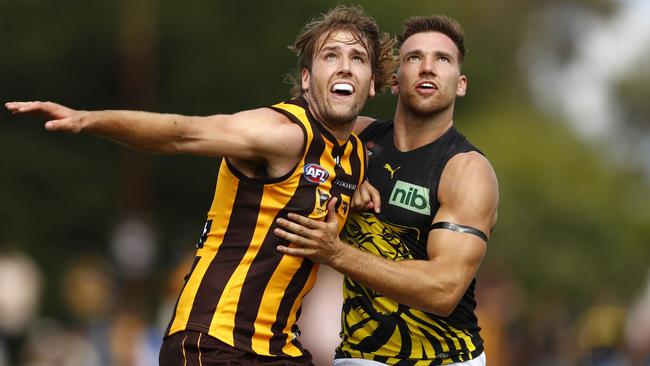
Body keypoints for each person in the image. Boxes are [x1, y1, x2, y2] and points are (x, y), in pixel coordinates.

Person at [5, 5, 395, 365]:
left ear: (372, 84)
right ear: (307, 80)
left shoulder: (355, 156)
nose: (344, 67)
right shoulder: (282, 133)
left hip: (280, 350)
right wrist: (89, 119)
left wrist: (356, 189)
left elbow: (349, 168)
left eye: (357, 59)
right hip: (215, 342)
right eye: (331, 56)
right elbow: (184, 134)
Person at [274, 15, 499, 366]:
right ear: (393, 81)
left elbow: (444, 290)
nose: (427, 68)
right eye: (414, 58)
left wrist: (336, 254)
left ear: (461, 84)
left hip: (445, 360)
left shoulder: (467, 170)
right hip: (356, 356)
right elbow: (284, 132)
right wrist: (344, 174)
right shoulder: (353, 142)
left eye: (442, 59)